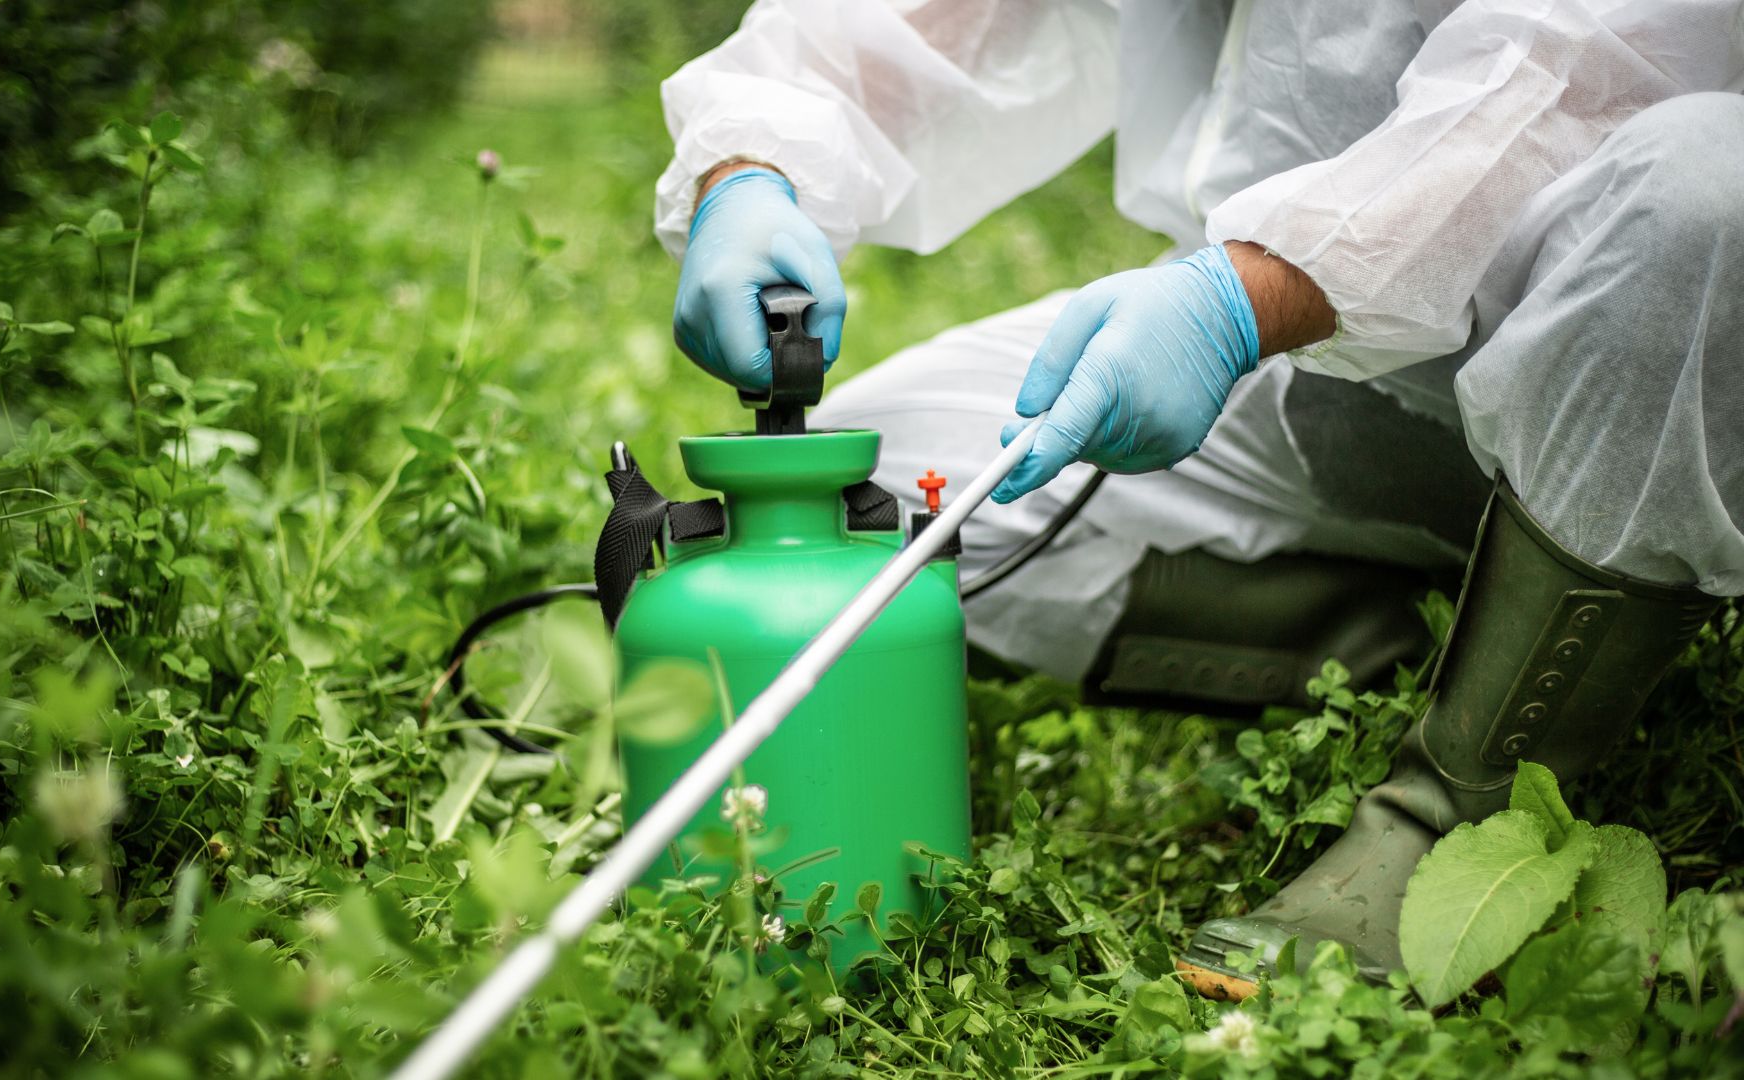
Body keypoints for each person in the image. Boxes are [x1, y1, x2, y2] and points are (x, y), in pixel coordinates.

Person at [655, 0, 1744, 999]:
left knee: (1708, 184)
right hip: (1310, 369)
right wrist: (753, 166)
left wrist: (1241, 298)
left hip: (1640, 349)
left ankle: (1457, 803)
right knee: (880, 515)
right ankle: (1440, 639)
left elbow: (1611, 64)